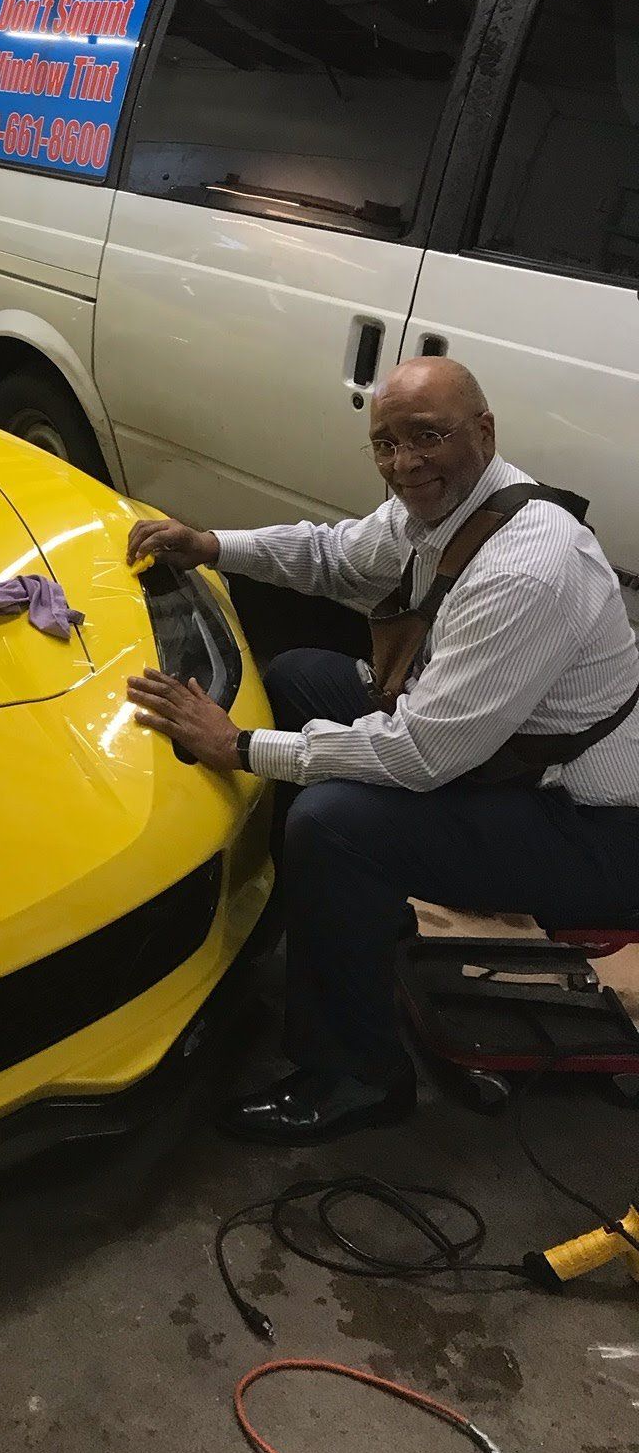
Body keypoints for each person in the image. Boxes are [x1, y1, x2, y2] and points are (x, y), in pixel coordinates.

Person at [124, 357, 639, 1145]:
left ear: (484, 431)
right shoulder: (451, 507)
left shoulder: (527, 569)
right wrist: (209, 544)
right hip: (502, 759)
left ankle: (357, 1074)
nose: (404, 465)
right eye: (386, 444)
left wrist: (241, 746)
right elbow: (334, 556)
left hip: (590, 829)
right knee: (302, 677)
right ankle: (325, 929)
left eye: (426, 438)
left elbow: (420, 757)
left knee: (334, 825)